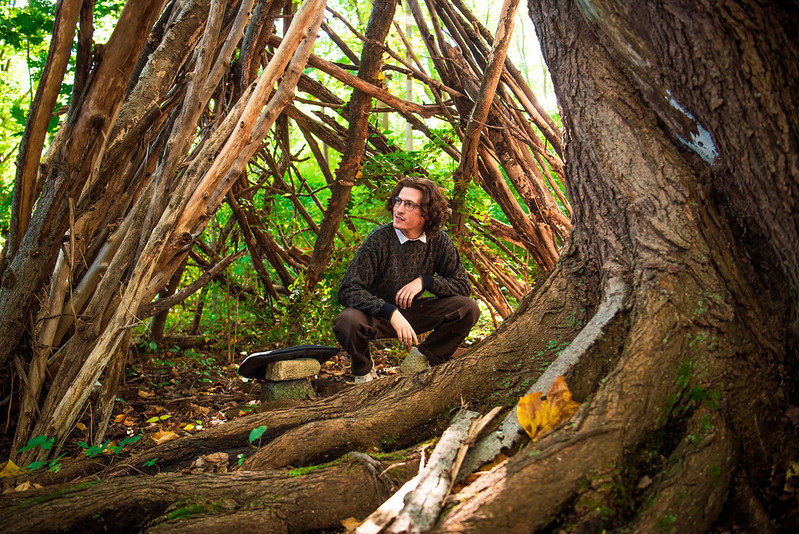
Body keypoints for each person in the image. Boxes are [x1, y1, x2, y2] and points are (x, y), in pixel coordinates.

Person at [334, 176, 480, 383]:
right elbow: (348, 290)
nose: (399, 209)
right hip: (376, 316)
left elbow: (463, 287)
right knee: (346, 321)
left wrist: (426, 282)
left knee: (468, 307)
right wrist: (389, 311)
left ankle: (423, 358)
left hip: (413, 313)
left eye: (409, 204)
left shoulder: (438, 241)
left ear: (427, 213)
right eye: (398, 201)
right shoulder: (379, 239)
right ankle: (364, 372)